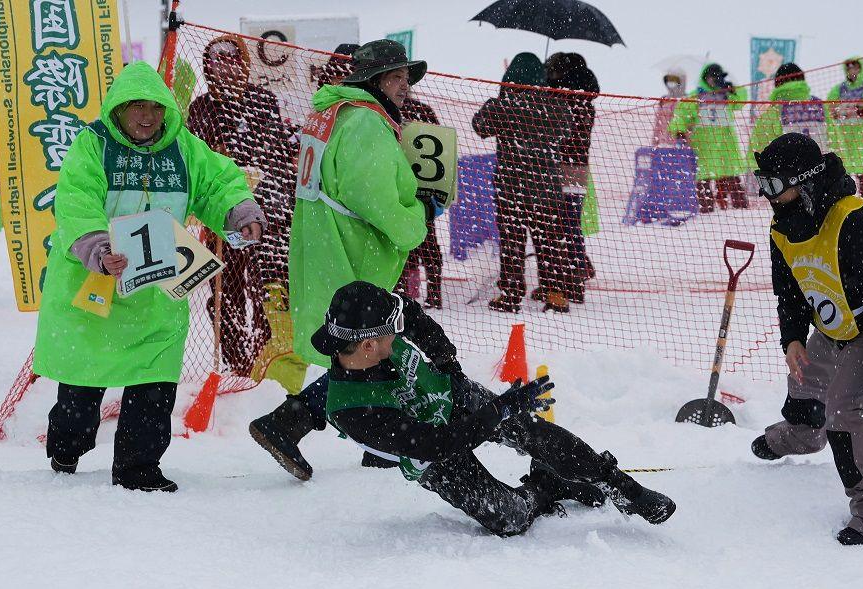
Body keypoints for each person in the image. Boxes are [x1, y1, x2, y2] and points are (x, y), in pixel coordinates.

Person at [33, 62, 265, 492]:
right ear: (117, 109)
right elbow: (76, 200)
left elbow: (218, 184)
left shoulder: (186, 148)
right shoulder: (92, 144)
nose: (147, 116)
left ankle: (138, 468)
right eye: (136, 106)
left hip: (158, 288)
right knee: (82, 386)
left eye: (156, 107)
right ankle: (67, 444)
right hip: (96, 282)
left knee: (155, 382)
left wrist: (240, 211)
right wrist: (98, 249)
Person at [311, 281, 676, 537]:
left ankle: (622, 487)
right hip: (434, 455)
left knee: (529, 430)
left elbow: (413, 314)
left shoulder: (367, 324)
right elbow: (437, 444)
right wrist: (498, 410)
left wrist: (447, 363)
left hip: (446, 393)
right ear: (370, 347)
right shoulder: (351, 410)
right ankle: (549, 483)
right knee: (510, 519)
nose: (401, 333)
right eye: (393, 332)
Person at [249, 39, 434, 479]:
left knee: (364, 346)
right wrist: (416, 218)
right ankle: (315, 429)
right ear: (374, 80)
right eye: (396, 77)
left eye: (406, 77)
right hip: (351, 247)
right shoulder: (365, 123)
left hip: (322, 243)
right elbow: (370, 194)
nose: (404, 86)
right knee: (372, 344)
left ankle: (310, 426)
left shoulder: (332, 114)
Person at [750, 133, 863, 545]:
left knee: (842, 416)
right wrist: (792, 338)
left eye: (776, 185)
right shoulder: (784, 226)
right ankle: (803, 434)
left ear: (805, 182)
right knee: (805, 382)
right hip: (833, 323)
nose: (767, 195)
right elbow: (789, 291)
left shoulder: (855, 221)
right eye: (764, 184)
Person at [187, 35, 306, 394]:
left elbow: (277, 150)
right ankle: (237, 359)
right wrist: (219, 154)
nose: (225, 68)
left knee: (270, 287)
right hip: (224, 217)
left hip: (268, 214)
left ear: (243, 64)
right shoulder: (201, 108)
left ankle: (267, 356)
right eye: (218, 61)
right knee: (227, 288)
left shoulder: (262, 100)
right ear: (209, 67)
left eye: (232, 61)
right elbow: (197, 155)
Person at [473, 53, 573, 313]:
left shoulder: (502, 106)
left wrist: (500, 102)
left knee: (512, 243)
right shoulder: (556, 107)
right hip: (547, 188)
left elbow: (480, 126)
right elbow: (566, 132)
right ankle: (556, 293)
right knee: (549, 241)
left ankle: (511, 294)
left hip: (511, 188)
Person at [545, 52, 599, 302]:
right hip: (578, 171)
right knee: (571, 225)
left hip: (561, 170)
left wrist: (548, 89)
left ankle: (571, 275)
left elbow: (558, 134)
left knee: (563, 226)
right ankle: (577, 270)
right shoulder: (587, 105)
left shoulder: (565, 105)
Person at [669, 63, 748, 213]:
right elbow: (681, 115)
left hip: (726, 144)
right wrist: (679, 130)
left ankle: (741, 209)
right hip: (704, 145)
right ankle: (706, 210)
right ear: (706, 78)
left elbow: (743, 101)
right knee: (703, 179)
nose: (715, 81)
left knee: (732, 177)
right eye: (712, 78)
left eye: (718, 78)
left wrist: (734, 87)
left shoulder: (728, 95)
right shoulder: (696, 96)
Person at [396, 91, 445, 309]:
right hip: (424, 185)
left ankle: (403, 292)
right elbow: (442, 147)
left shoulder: (386, 111)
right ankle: (431, 293)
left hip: (399, 185)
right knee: (426, 239)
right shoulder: (424, 110)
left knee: (400, 239)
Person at [826, 57, 863, 199]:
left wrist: (857, 109)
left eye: (855, 67)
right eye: (849, 68)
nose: (852, 71)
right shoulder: (838, 89)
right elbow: (829, 109)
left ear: (861, 69)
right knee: (843, 171)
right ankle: (845, 200)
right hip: (843, 137)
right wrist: (838, 111)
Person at [749, 63, 830, 156]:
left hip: (788, 168)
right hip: (821, 166)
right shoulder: (819, 104)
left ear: (778, 83)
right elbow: (834, 137)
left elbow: (759, 147)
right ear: (802, 79)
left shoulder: (774, 111)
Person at [652, 68, 687, 147]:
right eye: (669, 79)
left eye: (674, 79)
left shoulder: (687, 101)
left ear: (681, 81)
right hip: (663, 145)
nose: (671, 82)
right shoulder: (664, 101)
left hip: (680, 146)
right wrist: (654, 144)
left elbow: (689, 126)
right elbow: (657, 126)